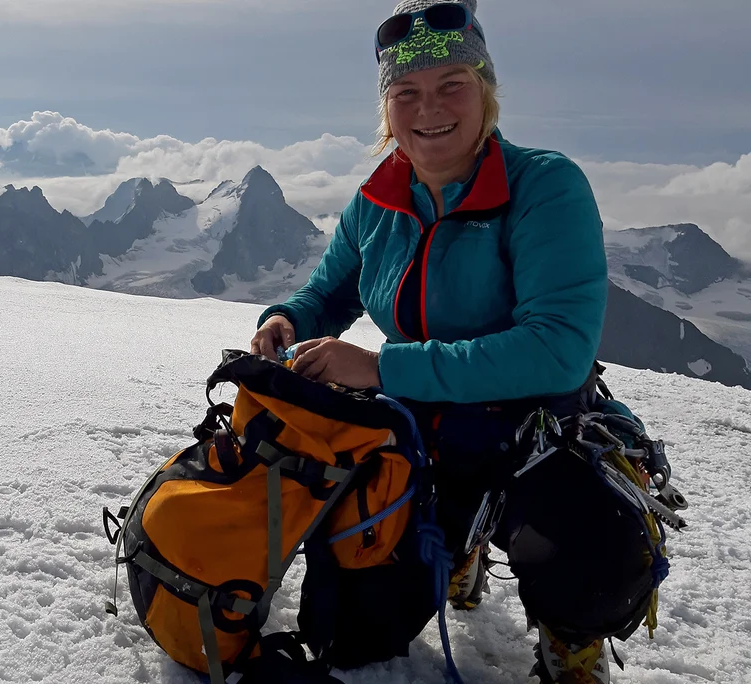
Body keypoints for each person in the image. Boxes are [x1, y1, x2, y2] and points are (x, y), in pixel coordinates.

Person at [249, 2, 656, 682]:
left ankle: (570, 637)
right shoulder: (376, 201)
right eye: (405, 92)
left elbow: (558, 348)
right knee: (351, 629)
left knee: (594, 546)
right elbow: (328, 294)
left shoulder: (543, 187)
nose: (427, 107)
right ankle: (454, 544)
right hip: (418, 432)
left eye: (451, 85)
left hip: (531, 430)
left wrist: (382, 368)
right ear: (387, 109)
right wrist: (287, 318)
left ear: (486, 91)